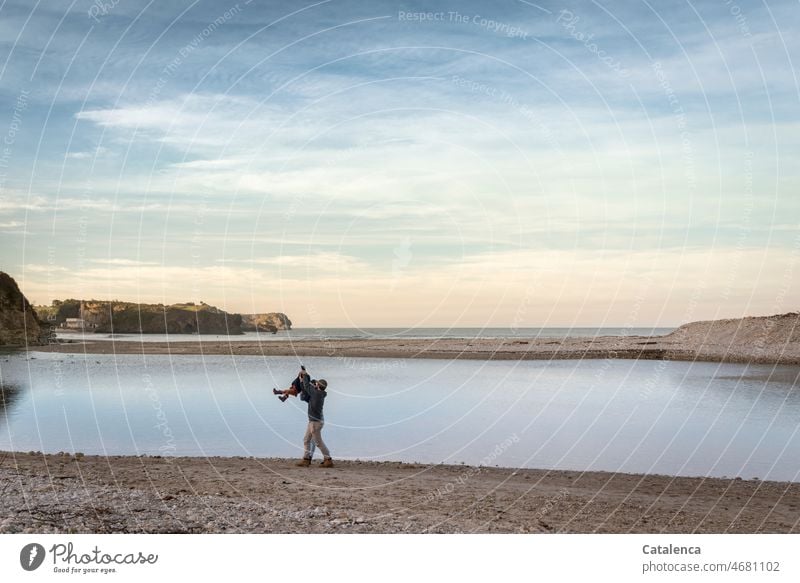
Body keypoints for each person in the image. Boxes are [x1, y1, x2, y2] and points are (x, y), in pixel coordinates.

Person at [295, 375, 333, 468]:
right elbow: (307, 388)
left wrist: (304, 375)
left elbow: (307, 386)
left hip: (315, 423)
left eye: (316, 384)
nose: (315, 385)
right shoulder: (319, 394)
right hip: (313, 421)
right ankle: (306, 460)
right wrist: (302, 380)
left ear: (318, 386)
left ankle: (328, 460)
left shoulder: (316, 394)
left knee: (318, 442)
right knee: (306, 440)